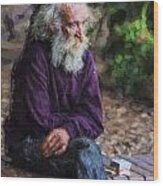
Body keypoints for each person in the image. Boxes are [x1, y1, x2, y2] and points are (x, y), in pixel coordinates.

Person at [4, 3, 107, 179]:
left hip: (69, 140)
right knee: (85, 153)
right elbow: (39, 121)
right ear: (53, 26)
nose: (80, 34)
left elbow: (95, 118)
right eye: (72, 24)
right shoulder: (35, 57)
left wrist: (68, 130)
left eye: (83, 23)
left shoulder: (85, 56)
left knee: (85, 151)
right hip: (29, 143)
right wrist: (76, 121)